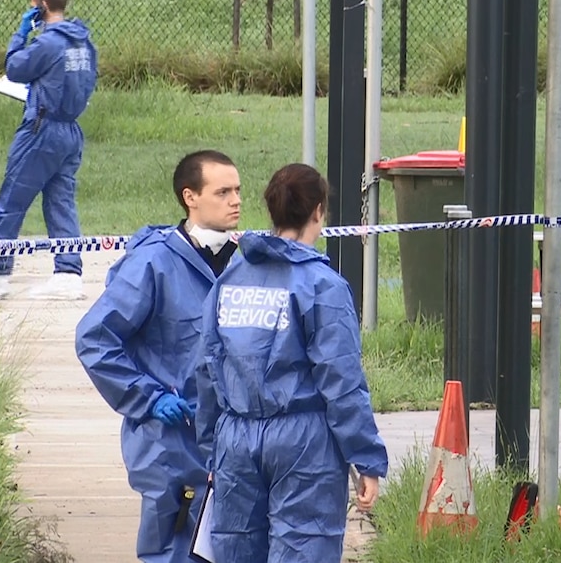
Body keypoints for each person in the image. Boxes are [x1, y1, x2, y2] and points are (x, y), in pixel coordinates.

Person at [195, 163, 388, 563]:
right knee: (305, 548)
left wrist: (212, 447)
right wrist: (366, 457)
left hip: (235, 436)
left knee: (235, 548)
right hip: (304, 442)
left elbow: (208, 366)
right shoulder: (322, 286)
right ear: (318, 211)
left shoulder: (231, 278)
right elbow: (342, 381)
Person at [75, 150, 242, 563]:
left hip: (233, 438)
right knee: (172, 550)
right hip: (170, 441)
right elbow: (96, 338)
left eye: (238, 190)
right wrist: (149, 398)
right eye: (222, 192)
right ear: (190, 197)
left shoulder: (245, 261)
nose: (236, 200)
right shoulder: (153, 263)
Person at [0, 0, 97, 301]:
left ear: (41, 6)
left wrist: (22, 31)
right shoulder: (83, 42)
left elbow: (15, 68)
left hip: (41, 129)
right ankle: (68, 273)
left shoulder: (48, 42)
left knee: (13, 197)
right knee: (60, 201)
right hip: (71, 130)